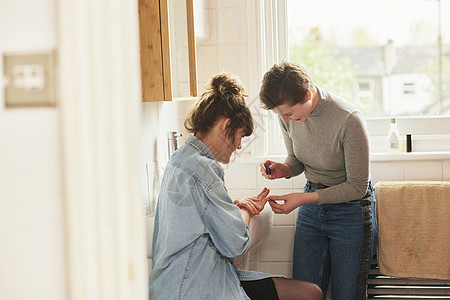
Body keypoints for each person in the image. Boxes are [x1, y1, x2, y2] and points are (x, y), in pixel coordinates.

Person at [149, 72, 323, 300]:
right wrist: (244, 210)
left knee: (310, 293)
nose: (239, 146)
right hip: (194, 288)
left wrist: (234, 209)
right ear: (226, 126)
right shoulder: (202, 169)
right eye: (241, 135)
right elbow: (237, 244)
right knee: (310, 294)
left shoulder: (183, 158)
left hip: (185, 282)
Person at [258, 61, 378, 299]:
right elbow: (297, 160)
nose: (286, 120)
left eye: (289, 113)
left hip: (351, 212)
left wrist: (302, 199)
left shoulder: (348, 119)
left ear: (307, 95)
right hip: (312, 211)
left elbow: (357, 187)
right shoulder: (287, 117)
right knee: (304, 294)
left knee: (347, 295)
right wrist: (284, 169)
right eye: (280, 115)